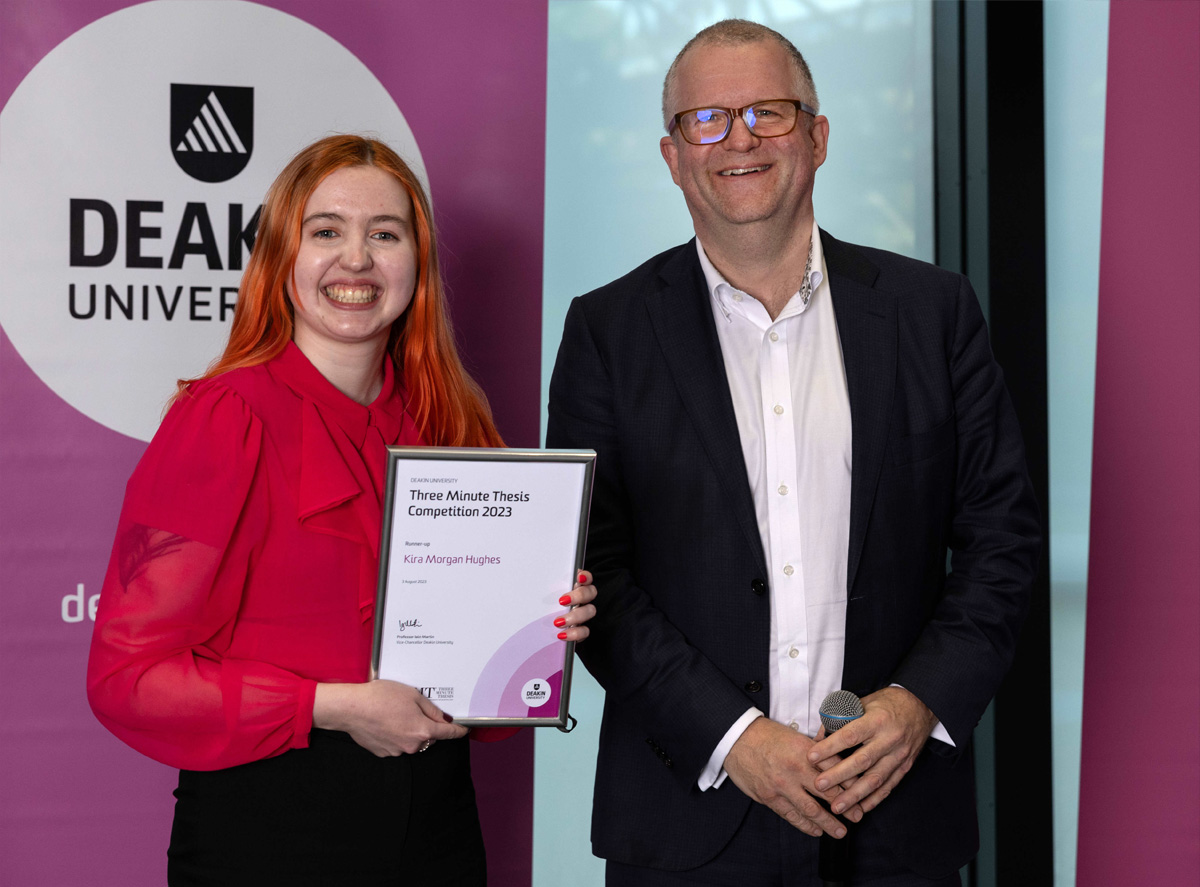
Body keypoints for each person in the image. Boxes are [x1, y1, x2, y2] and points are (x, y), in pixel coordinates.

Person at [546, 19, 1039, 887]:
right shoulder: (607, 331)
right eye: (707, 119)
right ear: (672, 156)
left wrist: (918, 705)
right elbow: (592, 571)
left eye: (768, 113)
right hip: (686, 820)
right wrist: (735, 737)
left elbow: (1004, 543)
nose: (738, 138)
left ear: (817, 137)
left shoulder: (934, 313)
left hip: (895, 817)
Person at [87, 134, 597, 886]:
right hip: (267, 836)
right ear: (281, 257)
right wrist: (332, 705)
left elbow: (482, 705)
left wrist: (541, 634)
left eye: (383, 234)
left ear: (416, 265)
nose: (355, 258)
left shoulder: (455, 425)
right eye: (326, 231)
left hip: (439, 835)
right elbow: (126, 679)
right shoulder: (223, 418)